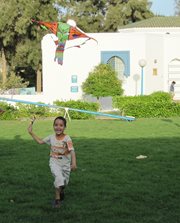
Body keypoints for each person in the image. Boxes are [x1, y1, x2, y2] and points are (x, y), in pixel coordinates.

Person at [28, 116, 77, 208]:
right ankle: (57, 200)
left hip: (65, 164)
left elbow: (72, 151)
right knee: (59, 178)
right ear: (53, 126)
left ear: (64, 127)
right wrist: (31, 132)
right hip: (54, 162)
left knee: (64, 182)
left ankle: (61, 190)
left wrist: (73, 163)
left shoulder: (67, 138)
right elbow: (40, 142)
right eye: (56, 125)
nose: (58, 127)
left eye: (61, 125)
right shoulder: (51, 137)